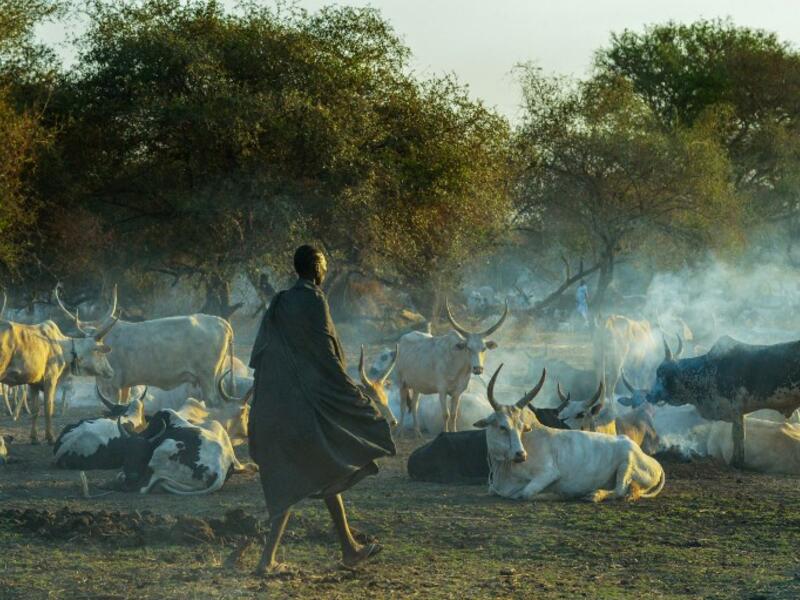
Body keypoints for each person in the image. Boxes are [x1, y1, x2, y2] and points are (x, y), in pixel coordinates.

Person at [228, 245, 396, 575]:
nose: (325, 270)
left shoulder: (278, 302)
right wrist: (353, 396)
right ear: (316, 267)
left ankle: (347, 548)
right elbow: (326, 355)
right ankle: (268, 561)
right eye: (324, 265)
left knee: (316, 470)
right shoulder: (314, 299)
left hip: (275, 405)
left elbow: (262, 355)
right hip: (301, 407)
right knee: (309, 472)